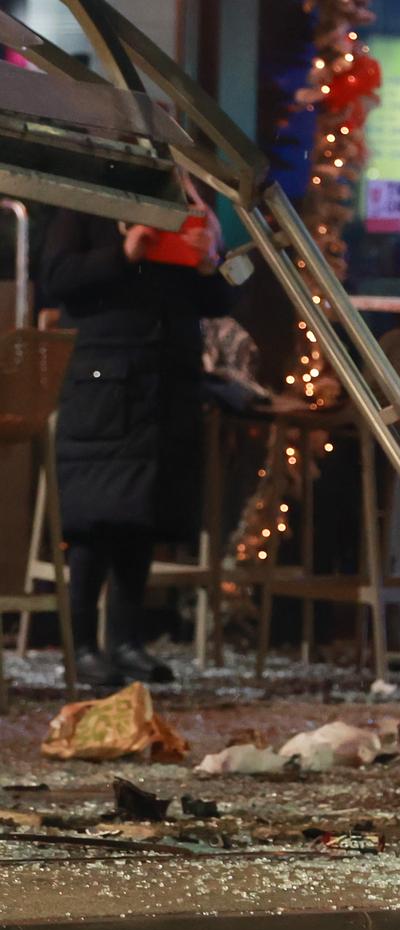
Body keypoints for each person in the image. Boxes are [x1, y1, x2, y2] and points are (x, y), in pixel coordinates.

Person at [44, 193, 231, 687]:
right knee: (95, 517)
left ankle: (126, 642)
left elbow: (222, 301)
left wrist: (209, 263)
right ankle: (81, 645)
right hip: (104, 383)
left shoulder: (187, 204)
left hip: (165, 381)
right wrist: (123, 253)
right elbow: (57, 277)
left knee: (142, 514)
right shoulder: (86, 203)